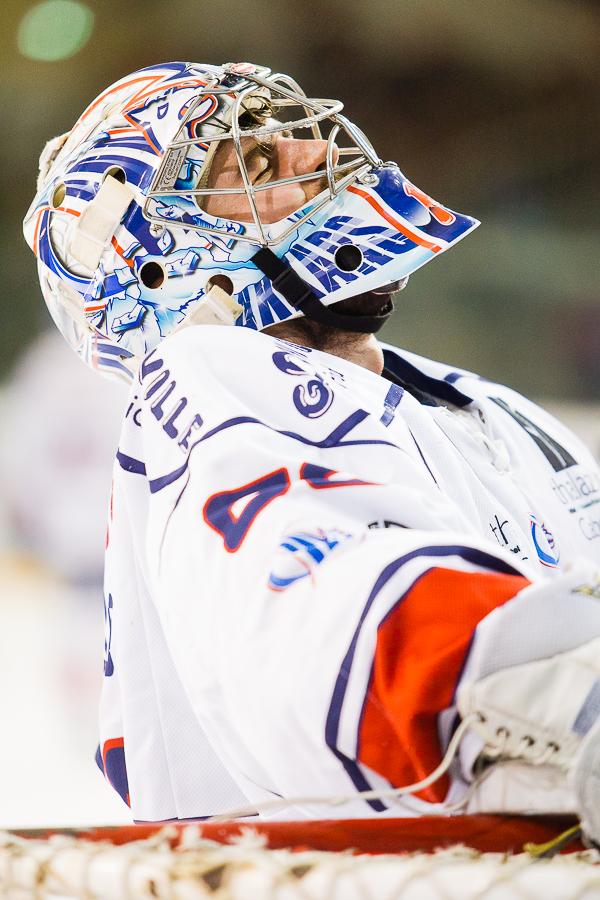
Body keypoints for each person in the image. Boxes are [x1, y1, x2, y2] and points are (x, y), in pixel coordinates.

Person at [23, 61, 600, 835]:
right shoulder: (204, 378)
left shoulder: (489, 406)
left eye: (299, 138)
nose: (318, 157)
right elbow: (353, 620)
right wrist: (556, 693)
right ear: (159, 259)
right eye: (257, 162)